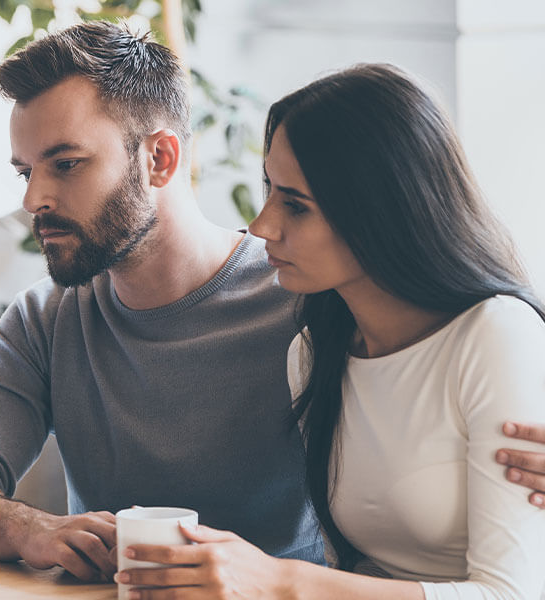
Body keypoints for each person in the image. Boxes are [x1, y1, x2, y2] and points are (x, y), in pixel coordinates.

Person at [0, 22, 545, 583]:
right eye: (24, 171)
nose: (34, 199)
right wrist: (25, 526)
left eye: (65, 164)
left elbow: (458, 333)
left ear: (160, 158)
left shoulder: (309, 297)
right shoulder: (48, 320)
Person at [116, 64, 544, 599]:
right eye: (269, 189)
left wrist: (279, 581)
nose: (262, 225)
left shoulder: (494, 336)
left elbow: (513, 595)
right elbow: (355, 572)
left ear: (383, 210)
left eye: (295, 204)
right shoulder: (314, 352)